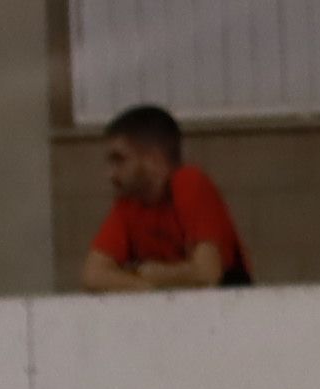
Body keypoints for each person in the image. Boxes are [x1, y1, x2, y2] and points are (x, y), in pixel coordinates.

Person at [78, 106, 253, 292]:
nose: (110, 174)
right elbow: (92, 276)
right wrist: (147, 285)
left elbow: (208, 273)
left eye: (119, 160)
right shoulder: (129, 203)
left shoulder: (189, 182)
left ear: (154, 160)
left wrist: (151, 274)